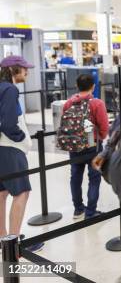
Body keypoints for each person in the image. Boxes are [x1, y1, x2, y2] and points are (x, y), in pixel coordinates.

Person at [0, 56, 44, 252]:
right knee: (21, 193)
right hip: (10, 149)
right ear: (13, 70)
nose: (27, 72)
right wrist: (20, 137)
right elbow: (9, 123)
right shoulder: (10, 89)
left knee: (1, 193)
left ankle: (4, 239)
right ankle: (14, 243)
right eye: (24, 69)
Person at [62, 73, 109, 220]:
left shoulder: (68, 103)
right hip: (92, 145)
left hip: (74, 145)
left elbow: (64, 125)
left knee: (75, 177)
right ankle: (91, 212)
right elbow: (104, 127)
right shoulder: (97, 103)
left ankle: (78, 210)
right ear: (93, 87)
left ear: (76, 86)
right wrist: (99, 138)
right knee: (94, 178)